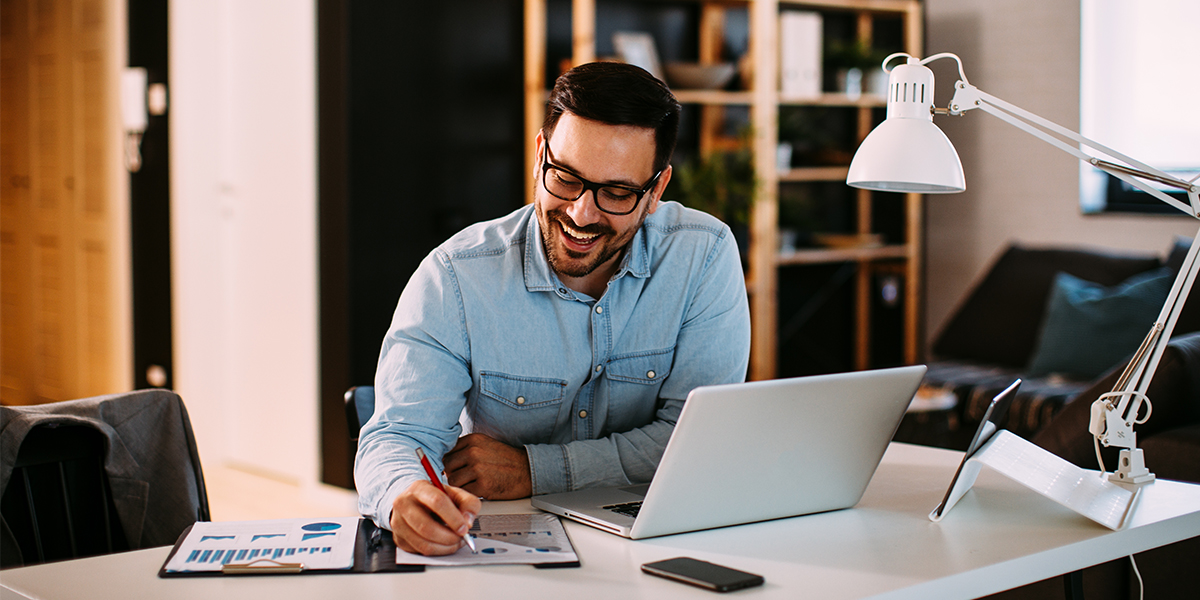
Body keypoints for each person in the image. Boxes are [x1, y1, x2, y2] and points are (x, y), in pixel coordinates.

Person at [354, 62, 751, 556]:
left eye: (617, 192)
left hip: (657, 542)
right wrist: (402, 495)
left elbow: (692, 440)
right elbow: (396, 437)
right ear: (540, 154)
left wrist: (534, 470)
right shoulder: (455, 277)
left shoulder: (703, 255)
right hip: (504, 551)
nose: (582, 213)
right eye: (565, 177)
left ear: (656, 191)